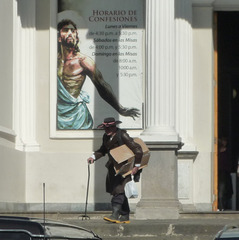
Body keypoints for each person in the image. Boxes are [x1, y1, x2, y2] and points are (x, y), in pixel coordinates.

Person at [57, 19, 140, 129]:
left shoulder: (84, 61)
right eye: (66, 30)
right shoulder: (53, 61)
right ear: (58, 37)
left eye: (73, 31)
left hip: (77, 118)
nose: (70, 33)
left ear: (76, 36)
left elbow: (102, 86)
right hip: (57, 116)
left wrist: (120, 109)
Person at [87, 117, 143, 223]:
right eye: (105, 128)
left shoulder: (122, 135)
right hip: (113, 168)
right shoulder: (106, 137)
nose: (107, 130)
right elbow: (103, 150)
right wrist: (93, 157)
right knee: (119, 190)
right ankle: (125, 215)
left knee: (118, 190)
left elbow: (137, 150)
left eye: (109, 128)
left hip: (125, 168)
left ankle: (115, 214)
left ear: (114, 127)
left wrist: (136, 166)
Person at [218, 137, 233, 211]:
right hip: (218, 172)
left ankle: (222, 207)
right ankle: (221, 206)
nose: (224, 142)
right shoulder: (217, 151)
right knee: (220, 191)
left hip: (224, 173)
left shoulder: (228, 152)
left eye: (225, 141)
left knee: (224, 191)